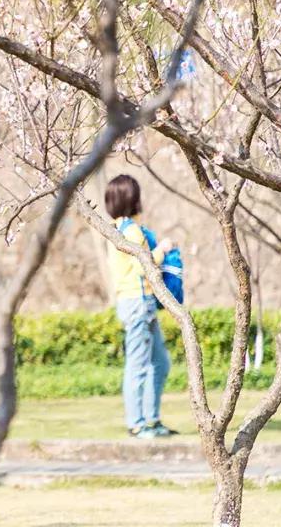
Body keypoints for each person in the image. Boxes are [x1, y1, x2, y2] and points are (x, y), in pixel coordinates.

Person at [105, 174, 177, 439]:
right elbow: (144, 265)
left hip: (136, 302)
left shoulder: (118, 228)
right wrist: (165, 248)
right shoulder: (131, 231)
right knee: (139, 364)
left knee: (160, 362)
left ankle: (152, 420)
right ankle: (137, 423)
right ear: (132, 199)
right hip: (138, 302)